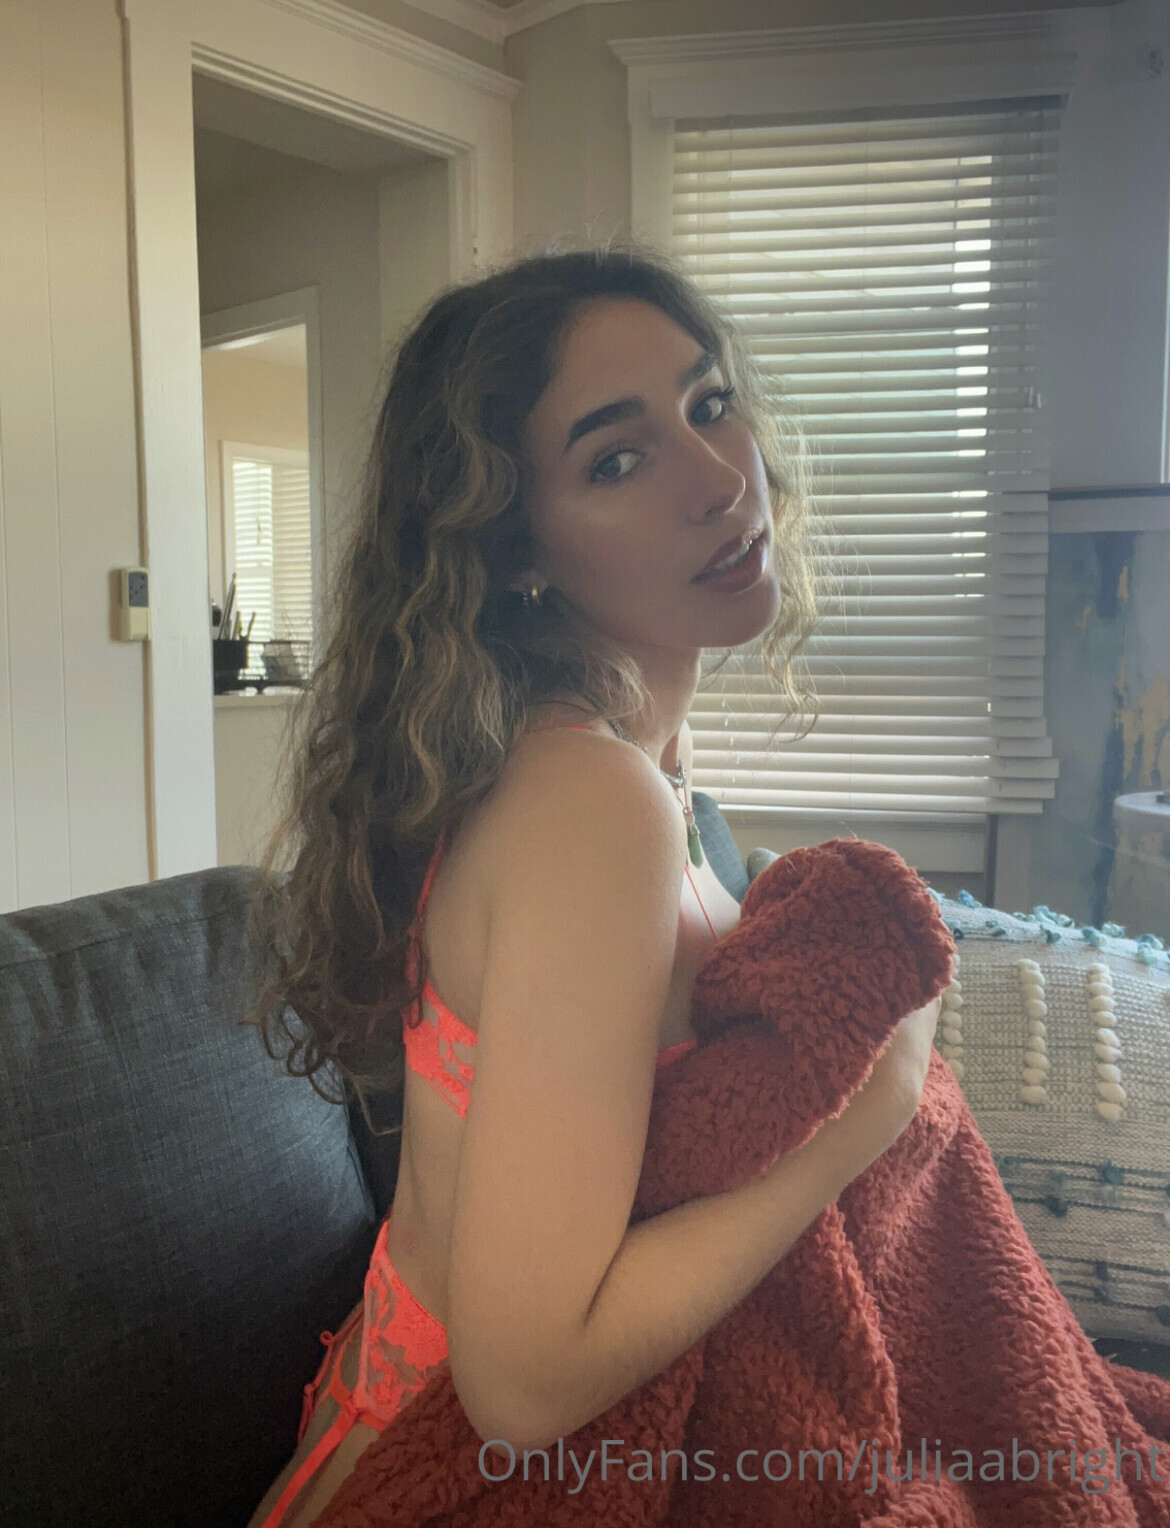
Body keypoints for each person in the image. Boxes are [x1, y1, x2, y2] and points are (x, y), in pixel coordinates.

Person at [242, 241, 941, 1528]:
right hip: (444, 1473)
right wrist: (875, 1105)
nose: (721, 477)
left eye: (710, 403)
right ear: (516, 549)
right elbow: (522, 1384)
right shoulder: (588, 802)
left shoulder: (635, 769)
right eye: (617, 459)